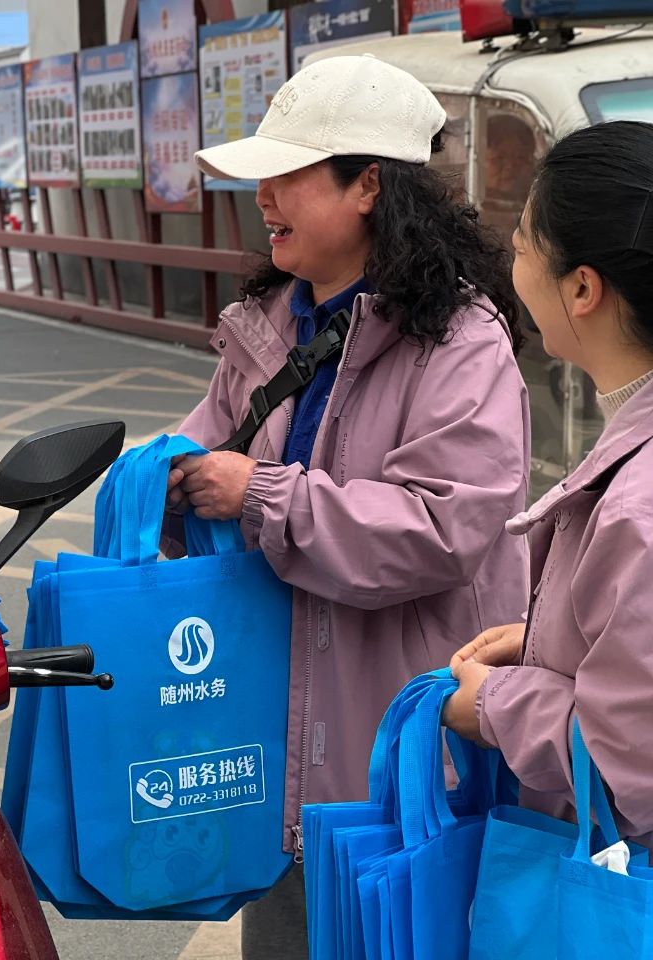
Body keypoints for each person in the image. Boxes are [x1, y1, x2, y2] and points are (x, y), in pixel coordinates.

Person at [165, 55, 531, 959]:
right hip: (276, 756)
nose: (264, 197)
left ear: (368, 185)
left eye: (289, 174)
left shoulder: (460, 340)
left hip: (409, 772)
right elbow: (207, 453)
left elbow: (439, 530)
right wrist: (169, 489)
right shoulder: (266, 325)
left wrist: (257, 492)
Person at [446, 120, 653, 848]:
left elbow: (633, 769)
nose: (513, 259)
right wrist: (550, 648)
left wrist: (495, 705)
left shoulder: (637, 507)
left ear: (583, 288)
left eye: (524, 244)